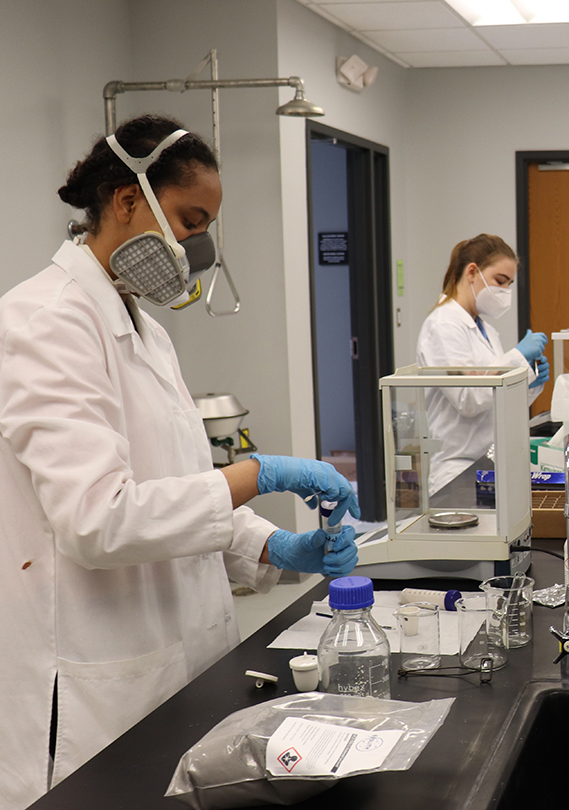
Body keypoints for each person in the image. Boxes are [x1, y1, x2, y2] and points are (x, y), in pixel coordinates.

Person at [0, 115, 363, 810]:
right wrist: (257, 474)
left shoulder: (148, 330)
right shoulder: (44, 319)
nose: (196, 246)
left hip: (184, 668)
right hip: (95, 686)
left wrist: (277, 546)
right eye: (189, 220)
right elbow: (98, 522)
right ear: (125, 198)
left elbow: (179, 493)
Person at [415, 234, 548, 493]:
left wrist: (530, 382)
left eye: (509, 284)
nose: (505, 292)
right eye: (500, 281)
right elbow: (469, 399)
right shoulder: (443, 325)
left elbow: (496, 400)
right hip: (456, 468)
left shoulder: (485, 329)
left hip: (487, 462)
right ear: (472, 271)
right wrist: (517, 358)